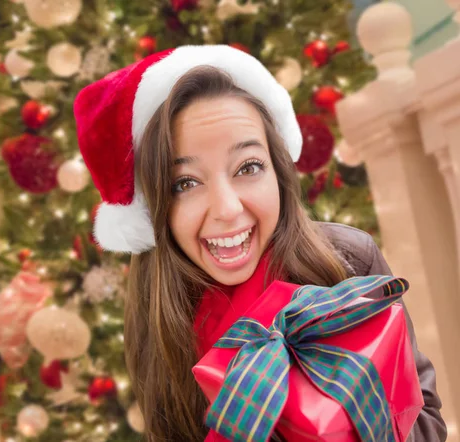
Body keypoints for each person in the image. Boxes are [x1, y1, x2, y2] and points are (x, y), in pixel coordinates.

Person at [73, 45, 446, 441]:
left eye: (248, 167)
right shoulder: (161, 314)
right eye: (185, 183)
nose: (228, 208)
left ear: (278, 170)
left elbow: (427, 418)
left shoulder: (347, 260)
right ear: (155, 209)